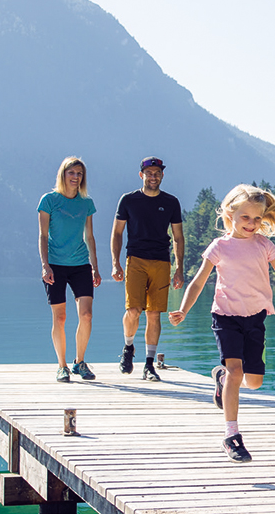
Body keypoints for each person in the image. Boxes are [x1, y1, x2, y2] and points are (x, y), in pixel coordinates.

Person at [168, 185, 275, 463]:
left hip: (255, 318)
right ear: (229, 213)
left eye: (257, 219)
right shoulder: (219, 247)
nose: (252, 224)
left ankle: (221, 380)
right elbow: (198, 281)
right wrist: (184, 309)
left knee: (254, 382)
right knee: (236, 371)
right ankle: (231, 435)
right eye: (246, 217)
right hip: (225, 317)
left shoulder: (264, 245)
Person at [111, 156, 185, 381]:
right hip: (136, 260)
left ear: (162, 175)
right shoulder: (128, 200)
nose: (153, 176)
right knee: (133, 310)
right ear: (141, 175)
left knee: (154, 314)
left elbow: (178, 237)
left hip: (161, 262)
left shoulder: (171, 202)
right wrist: (115, 262)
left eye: (157, 172)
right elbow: (117, 233)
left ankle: (149, 365)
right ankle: (128, 347)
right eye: (149, 173)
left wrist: (179, 268)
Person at [38, 157, 102, 383]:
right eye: (71, 173)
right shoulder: (49, 200)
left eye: (79, 174)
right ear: (63, 174)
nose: (76, 177)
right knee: (61, 317)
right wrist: (45, 265)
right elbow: (43, 235)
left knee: (86, 315)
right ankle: (61, 366)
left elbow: (90, 236)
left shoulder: (86, 203)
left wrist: (95, 267)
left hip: (80, 264)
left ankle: (79, 362)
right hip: (55, 264)